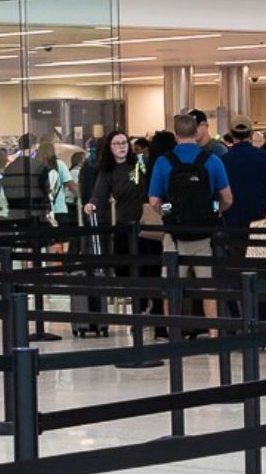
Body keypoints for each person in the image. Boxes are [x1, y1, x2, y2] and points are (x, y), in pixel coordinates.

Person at [149, 113, 233, 330]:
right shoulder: (212, 160)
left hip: (173, 236)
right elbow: (227, 199)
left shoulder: (163, 161)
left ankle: (172, 332)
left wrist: (169, 211)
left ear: (176, 136)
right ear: (196, 133)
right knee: (208, 288)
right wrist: (214, 211)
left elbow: (154, 201)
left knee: (172, 287)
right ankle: (214, 334)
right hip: (204, 235)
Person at [86, 131, 158, 315]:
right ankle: (138, 305)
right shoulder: (108, 171)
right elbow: (99, 194)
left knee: (149, 268)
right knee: (123, 267)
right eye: (117, 143)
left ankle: (149, 307)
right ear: (109, 148)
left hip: (146, 224)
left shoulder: (139, 163)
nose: (121, 146)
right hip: (124, 224)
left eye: (124, 142)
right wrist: (92, 204)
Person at [219, 118, 266, 256]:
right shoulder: (265, 158)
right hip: (260, 219)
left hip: (232, 221)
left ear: (231, 134)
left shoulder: (223, 161)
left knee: (235, 264)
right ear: (251, 133)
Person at [36, 141, 77, 228]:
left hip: (41, 211)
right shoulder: (60, 165)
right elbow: (71, 186)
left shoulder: (37, 167)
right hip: (59, 209)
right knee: (61, 239)